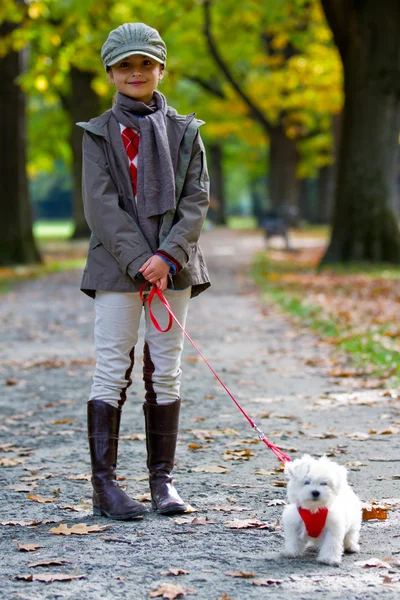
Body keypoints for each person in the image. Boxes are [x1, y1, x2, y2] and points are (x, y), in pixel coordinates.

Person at [76, 23, 210, 520]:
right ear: (111, 73)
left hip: (174, 267)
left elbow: (196, 201)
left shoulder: (187, 131)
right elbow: (101, 206)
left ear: (160, 69)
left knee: (166, 368)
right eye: (126, 65)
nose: (137, 73)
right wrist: (139, 260)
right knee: (113, 366)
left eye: (145, 64)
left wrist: (166, 257)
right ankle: (105, 487)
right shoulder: (97, 135)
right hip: (116, 268)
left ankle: (163, 482)